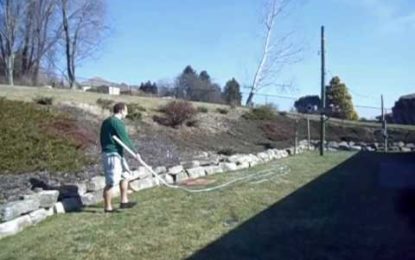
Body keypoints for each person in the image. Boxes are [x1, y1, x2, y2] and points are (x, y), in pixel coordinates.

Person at [100, 102, 140, 213]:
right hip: (111, 154)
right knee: (111, 182)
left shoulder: (107, 121)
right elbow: (125, 139)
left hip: (117, 154)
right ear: (121, 110)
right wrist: (135, 153)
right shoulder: (116, 122)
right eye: (126, 110)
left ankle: (124, 202)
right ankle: (108, 208)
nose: (127, 113)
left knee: (125, 176)